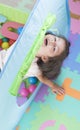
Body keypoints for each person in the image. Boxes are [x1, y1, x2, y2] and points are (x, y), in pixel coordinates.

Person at [0, 32, 70, 95]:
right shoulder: (34, 35)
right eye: (55, 39)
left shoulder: (34, 67)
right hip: (2, 56)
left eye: (54, 48)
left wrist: (53, 85)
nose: (53, 42)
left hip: (4, 74)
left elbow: (42, 77)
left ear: (45, 58)